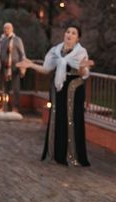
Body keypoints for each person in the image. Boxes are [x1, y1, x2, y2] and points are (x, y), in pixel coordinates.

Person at [17, 25, 93, 167]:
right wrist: (31, 65)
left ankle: (72, 155)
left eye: (73, 33)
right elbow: (46, 69)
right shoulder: (56, 51)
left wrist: (83, 66)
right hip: (59, 89)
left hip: (74, 90)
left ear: (78, 38)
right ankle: (57, 154)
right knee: (58, 118)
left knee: (72, 119)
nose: (69, 35)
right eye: (68, 32)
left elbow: (84, 74)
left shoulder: (81, 52)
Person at [0, 22, 26, 113]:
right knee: (5, 88)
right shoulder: (2, 40)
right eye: (5, 28)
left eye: (8, 28)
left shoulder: (17, 40)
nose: (6, 30)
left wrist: (23, 67)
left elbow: (22, 54)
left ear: (12, 29)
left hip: (15, 67)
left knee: (15, 88)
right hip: (4, 67)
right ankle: (5, 107)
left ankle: (16, 107)